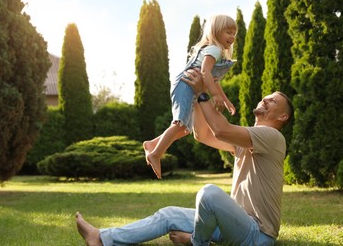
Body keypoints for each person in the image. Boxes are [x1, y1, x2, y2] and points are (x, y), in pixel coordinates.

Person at [76, 68, 294, 246]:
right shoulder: (248, 140)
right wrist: (194, 93)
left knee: (208, 194)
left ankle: (196, 243)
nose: (265, 99)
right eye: (266, 97)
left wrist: (203, 93)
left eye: (273, 101)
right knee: (168, 215)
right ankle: (102, 238)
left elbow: (221, 130)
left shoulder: (273, 137)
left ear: (282, 116)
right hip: (233, 225)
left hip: (257, 235)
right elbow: (204, 134)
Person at [143, 14, 237, 179]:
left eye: (234, 33)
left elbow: (213, 80)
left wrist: (226, 101)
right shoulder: (214, 49)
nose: (232, 36)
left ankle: (153, 144)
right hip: (186, 85)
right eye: (228, 32)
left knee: (185, 129)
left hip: (188, 86)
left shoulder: (215, 50)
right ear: (216, 31)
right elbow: (205, 72)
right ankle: (156, 153)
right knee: (180, 124)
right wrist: (215, 96)